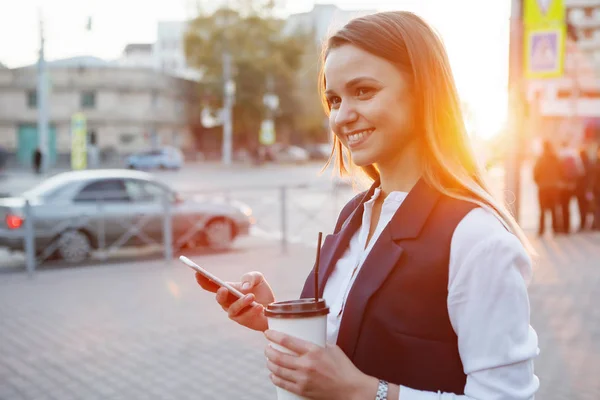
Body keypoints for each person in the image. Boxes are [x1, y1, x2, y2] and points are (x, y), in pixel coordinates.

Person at [195, 11, 539, 399]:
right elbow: (349, 340)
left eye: (364, 91)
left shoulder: (476, 238)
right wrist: (274, 316)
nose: (342, 116)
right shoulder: (355, 214)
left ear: (423, 91)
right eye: (334, 99)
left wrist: (364, 391)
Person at [533, 140, 561, 235]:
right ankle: (555, 229)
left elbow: (535, 172)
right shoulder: (555, 158)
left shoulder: (541, 159)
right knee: (554, 209)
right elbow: (561, 170)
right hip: (554, 187)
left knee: (542, 209)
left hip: (543, 187)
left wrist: (538, 182)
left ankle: (541, 230)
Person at [557, 141, 584, 233]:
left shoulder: (559, 155)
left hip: (561, 185)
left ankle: (563, 227)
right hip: (572, 185)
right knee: (569, 206)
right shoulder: (574, 155)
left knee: (563, 206)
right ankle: (568, 227)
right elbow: (580, 171)